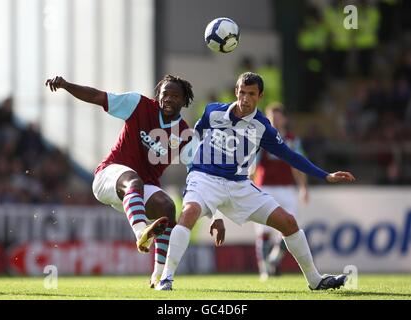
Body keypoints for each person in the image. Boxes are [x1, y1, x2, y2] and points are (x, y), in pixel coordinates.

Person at [155, 72, 355, 291]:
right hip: (204, 179)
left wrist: (324, 175)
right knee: (189, 213)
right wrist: (199, 183)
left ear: (260, 96)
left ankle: (315, 280)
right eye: (242, 92)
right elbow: (194, 141)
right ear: (236, 92)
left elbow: (291, 156)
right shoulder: (212, 111)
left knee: (289, 222)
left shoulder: (263, 127)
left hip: (239, 185)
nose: (245, 98)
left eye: (251, 94)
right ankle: (166, 278)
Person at [45, 75, 225, 287]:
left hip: (138, 194)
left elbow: (202, 175)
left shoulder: (185, 135)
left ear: (184, 101)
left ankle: (159, 277)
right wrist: (66, 85)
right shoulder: (137, 104)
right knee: (133, 180)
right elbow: (97, 96)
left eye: (175, 96)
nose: (168, 99)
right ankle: (142, 233)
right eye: (165, 94)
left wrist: (216, 214)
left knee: (167, 207)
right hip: (109, 177)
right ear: (158, 95)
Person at [250, 103, 309, 281]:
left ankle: (274, 259)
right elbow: (253, 164)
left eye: (277, 116)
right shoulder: (262, 138)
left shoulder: (292, 139)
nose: (274, 120)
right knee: (263, 230)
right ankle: (264, 269)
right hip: (265, 188)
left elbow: (298, 165)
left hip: (286, 189)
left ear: (284, 119)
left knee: (291, 228)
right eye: (271, 116)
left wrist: (304, 187)